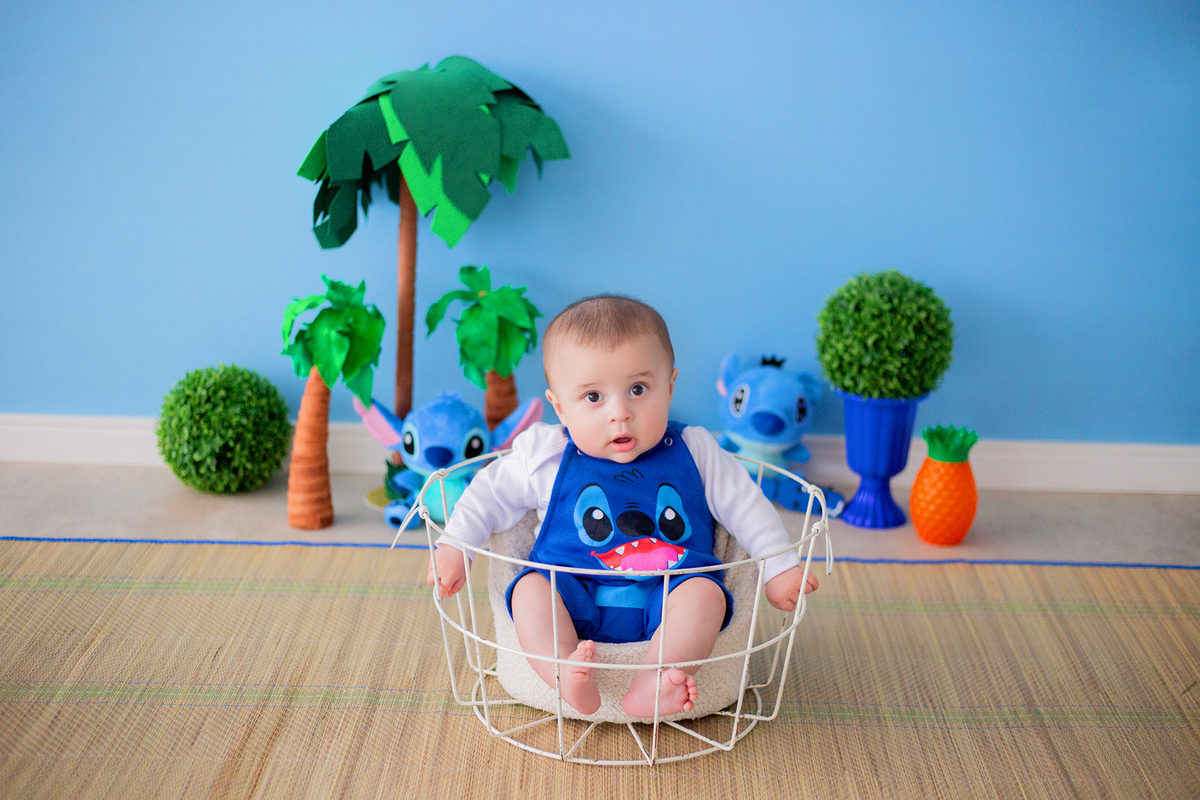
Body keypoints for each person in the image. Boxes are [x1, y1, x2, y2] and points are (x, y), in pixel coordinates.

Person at [427, 295, 819, 718]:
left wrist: (780, 568)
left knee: (708, 595)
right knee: (527, 591)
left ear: (669, 386)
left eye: (637, 389)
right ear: (559, 406)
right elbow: (487, 495)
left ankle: (656, 679)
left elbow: (748, 505)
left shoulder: (695, 449)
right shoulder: (547, 452)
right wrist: (456, 546)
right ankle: (562, 670)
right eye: (593, 397)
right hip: (569, 590)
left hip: (669, 591)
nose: (620, 414)